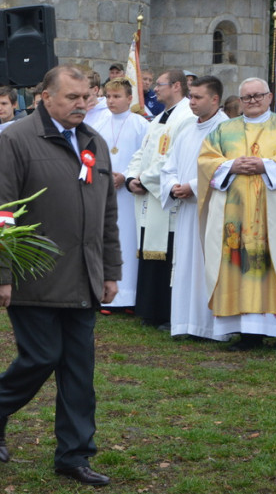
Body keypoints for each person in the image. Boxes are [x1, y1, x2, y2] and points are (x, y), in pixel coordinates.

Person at [0, 65, 121, 487]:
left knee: (78, 369)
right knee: (41, 357)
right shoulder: (16, 140)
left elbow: (105, 214)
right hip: (32, 276)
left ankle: (74, 454)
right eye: (73, 97)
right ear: (46, 97)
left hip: (83, 277)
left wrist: (110, 270)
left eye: (86, 97)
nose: (82, 104)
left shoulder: (94, 143)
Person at [198, 78, 276, 352]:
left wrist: (267, 165)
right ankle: (248, 334)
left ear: (269, 96)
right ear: (239, 100)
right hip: (235, 214)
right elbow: (205, 160)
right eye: (246, 97)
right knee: (240, 266)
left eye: (257, 96)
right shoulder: (224, 130)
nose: (252, 101)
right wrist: (230, 165)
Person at [159, 76, 230, 340]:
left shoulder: (227, 130)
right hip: (187, 210)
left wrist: (193, 186)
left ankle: (212, 327)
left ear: (215, 99)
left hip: (214, 210)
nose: (191, 102)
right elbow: (169, 165)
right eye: (190, 96)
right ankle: (186, 324)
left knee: (208, 264)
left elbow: (226, 167)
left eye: (198, 97)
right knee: (187, 265)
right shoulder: (188, 129)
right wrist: (174, 186)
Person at [125, 69, 194, 329]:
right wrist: (133, 177)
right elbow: (142, 151)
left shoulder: (186, 117)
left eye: (160, 85)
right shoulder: (158, 119)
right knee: (150, 252)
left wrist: (145, 179)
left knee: (168, 255)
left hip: (168, 199)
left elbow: (172, 159)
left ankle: (166, 311)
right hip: (149, 195)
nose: (154, 89)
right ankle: (150, 310)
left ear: (176, 86)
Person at [96, 78, 149, 313]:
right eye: (108, 96)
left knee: (128, 241)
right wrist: (105, 175)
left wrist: (126, 176)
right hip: (103, 191)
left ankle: (130, 296)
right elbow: (90, 153)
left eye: (117, 96)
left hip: (128, 195)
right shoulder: (98, 123)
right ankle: (107, 295)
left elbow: (145, 155)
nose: (111, 101)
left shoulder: (141, 124)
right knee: (106, 240)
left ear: (130, 99)